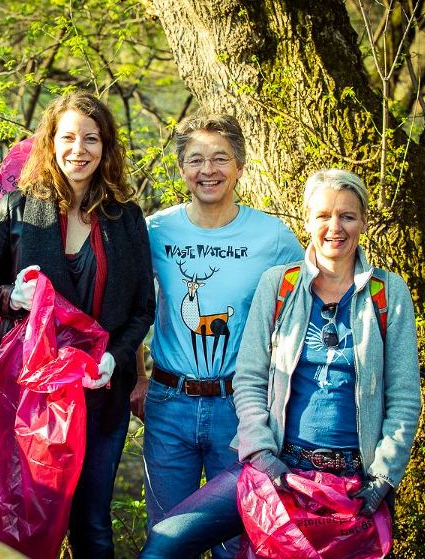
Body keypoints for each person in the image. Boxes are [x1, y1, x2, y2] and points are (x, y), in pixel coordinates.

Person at [140, 168, 422, 557]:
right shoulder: (280, 285)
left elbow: (404, 396)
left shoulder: (387, 293)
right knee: (166, 540)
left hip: (353, 480)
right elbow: (251, 378)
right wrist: (263, 456)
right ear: (308, 220)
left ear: (364, 222)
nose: (334, 227)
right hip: (278, 466)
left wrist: (383, 477)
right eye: (323, 215)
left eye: (347, 216)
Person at [0, 91, 155, 558]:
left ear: (105, 146)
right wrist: (11, 298)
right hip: (31, 399)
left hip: (101, 395)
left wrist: (116, 359)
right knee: (27, 517)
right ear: (50, 143)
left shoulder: (126, 218)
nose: (79, 150)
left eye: (91, 139)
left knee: (92, 524)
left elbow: (141, 308)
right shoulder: (16, 208)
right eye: (68, 137)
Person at [142, 114, 303, 556]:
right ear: (181, 168)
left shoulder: (272, 237)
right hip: (168, 404)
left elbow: (308, 299)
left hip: (240, 408)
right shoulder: (156, 230)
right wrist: (137, 377)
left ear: (240, 166)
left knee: (236, 541)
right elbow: (130, 306)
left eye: (220, 159)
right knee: (166, 538)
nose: (207, 170)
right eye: (195, 159)